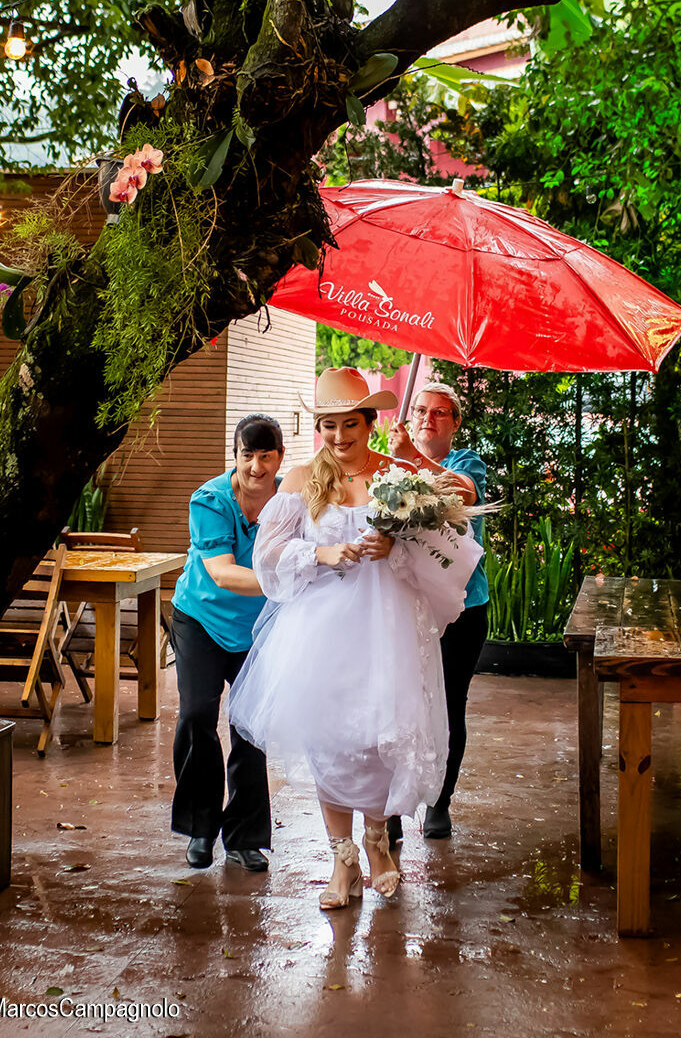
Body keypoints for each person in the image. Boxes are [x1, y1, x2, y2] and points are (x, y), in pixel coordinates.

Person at [226, 368, 480, 909]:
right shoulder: (297, 483)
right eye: (329, 426)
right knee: (331, 744)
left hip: (385, 628)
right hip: (321, 633)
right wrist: (321, 553)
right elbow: (266, 560)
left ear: (370, 423)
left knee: (378, 743)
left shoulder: (398, 479)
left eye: (351, 425)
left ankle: (377, 842)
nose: (340, 438)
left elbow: (448, 548)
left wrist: (398, 548)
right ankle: (342, 861)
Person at [170, 414, 286, 872]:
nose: (256, 466)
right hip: (200, 618)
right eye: (246, 455)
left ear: (279, 457)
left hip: (256, 628)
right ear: (234, 455)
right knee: (198, 715)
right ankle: (200, 827)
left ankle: (245, 837)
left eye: (265, 456)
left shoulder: (289, 501)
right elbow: (220, 571)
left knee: (250, 726)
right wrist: (287, 580)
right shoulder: (211, 499)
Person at [387, 381, 489, 840]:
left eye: (440, 412)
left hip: (462, 609)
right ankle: (388, 809)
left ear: (456, 423)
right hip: (405, 607)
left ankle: (439, 802)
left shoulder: (466, 463)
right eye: (422, 410)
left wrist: (414, 459)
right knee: (397, 705)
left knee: (449, 706)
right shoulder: (387, 466)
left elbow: (463, 494)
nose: (429, 418)